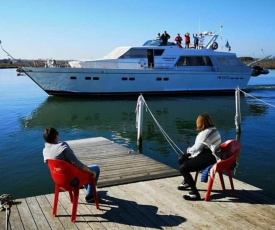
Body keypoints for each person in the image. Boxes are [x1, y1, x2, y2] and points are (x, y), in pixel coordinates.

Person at [42, 128, 100, 203]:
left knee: (86, 170)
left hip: (59, 180)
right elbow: (76, 163)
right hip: (72, 181)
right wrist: (91, 171)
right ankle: (90, 196)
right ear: (56, 136)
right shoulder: (62, 146)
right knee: (95, 169)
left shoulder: (45, 150)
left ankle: (88, 189)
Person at [177, 113, 221, 201]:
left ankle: (195, 194)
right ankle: (187, 182)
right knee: (181, 158)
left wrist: (188, 150)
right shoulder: (213, 129)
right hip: (210, 153)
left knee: (183, 168)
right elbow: (201, 147)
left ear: (200, 123)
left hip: (211, 157)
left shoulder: (204, 134)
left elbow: (196, 148)